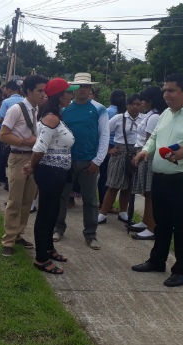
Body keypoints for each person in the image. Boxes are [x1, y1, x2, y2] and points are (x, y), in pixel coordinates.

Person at [131, 73, 183, 287]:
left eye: (171, 90)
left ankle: (181, 270)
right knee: (162, 223)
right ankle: (157, 260)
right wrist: (145, 151)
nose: (166, 95)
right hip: (161, 178)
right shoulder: (167, 113)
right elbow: (156, 137)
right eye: (164, 90)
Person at [23, 78, 76, 274]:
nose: (71, 95)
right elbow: (40, 147)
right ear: (60, 95)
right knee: (46, 214)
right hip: (50, 172)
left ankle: (48, 248)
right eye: (68, 92)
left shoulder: (55, 116)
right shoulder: (51, 118)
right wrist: (31, 166)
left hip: (57, 172)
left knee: (52, 212)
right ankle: (41, 258)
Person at [53, 72, 109, 250]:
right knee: (61, 196)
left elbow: (104, 136)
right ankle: (58, 228)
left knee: (90, 199)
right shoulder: (65, 109)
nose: (82, 90)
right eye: (79, 87)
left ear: (90, 89)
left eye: (86, 86)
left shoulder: (99, 109)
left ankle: (91, 234)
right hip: (67, 160)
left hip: (88, 160)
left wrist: (98, 160)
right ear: (73, 89)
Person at [0, 74, 49, 256]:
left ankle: (18, 233)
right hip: (19, 157)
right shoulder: (16, 109)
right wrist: (26, 142)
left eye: (44, 91)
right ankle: (8, 240)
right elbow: (3, 135)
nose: (43, 94)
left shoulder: (38, 110)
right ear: (28, 91)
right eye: (39, 91)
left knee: (28, 201)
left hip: (33, 159)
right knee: (15, 200)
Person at [129, 86, 168, 240]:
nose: (141, 103)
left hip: (147, 155)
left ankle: (152, 226)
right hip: (143, 153)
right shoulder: (150, 114)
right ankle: (146, 221)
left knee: (149, 191)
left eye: (143, 100)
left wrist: (140, 154)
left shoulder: (154, 117)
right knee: (146, 192)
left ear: (151, 100)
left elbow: (149, 140)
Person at [98, 94, 143, 224]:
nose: (135, 107)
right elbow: (103, 132)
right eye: (132, 104)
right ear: (127, 105)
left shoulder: (144, 119)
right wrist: (108, 149)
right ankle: (103, 213)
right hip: (119, 153)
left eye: (138, 104)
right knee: (113, 185)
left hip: (136, 154)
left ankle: (123, 211)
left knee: (128, 186)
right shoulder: (119, 118)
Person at [99, 90, 126, 205]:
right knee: (113, 177)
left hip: (107, 146)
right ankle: (107, 204)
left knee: (104, 175)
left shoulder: (106, 111)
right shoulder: (122, 113)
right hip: (116, 147)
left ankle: (103, 202)